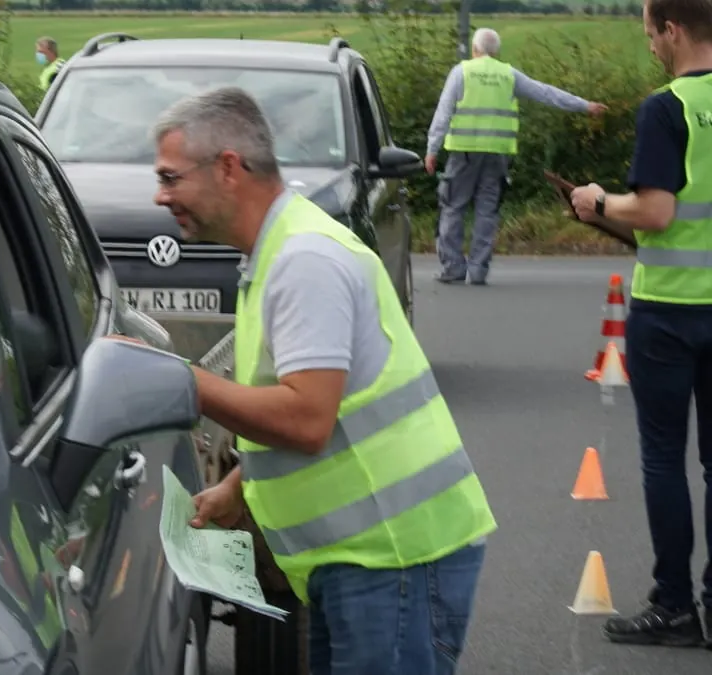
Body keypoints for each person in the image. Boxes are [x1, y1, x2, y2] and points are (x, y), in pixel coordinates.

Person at [139, 86, 498, 673]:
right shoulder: (277, 253)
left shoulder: (304, 260)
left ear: (228, 167)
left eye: (172, 177)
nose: (161, 195)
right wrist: (240, 488)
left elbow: (307, 419)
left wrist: (182, 380)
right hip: (363, 559)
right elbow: (316, 409)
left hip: (393, 559)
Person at [570, 0, 712, 649]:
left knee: (664, 459)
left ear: (674, 30)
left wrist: (599, 201)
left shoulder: (668, 107)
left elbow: (654, 211)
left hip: (669, 311)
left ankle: (675, 604)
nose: (650, 44)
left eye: (651, 32)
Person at [426, 27, 608, 285]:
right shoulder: (508, 75)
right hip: (498, 156)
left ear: (476, 49)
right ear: (496, 51)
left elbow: (443, 114)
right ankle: (478, 271)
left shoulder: (461, 72)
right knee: (487, 211)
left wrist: (432, 150)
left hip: (464, 154)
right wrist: (584, 105)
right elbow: (546, 93)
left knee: (453, 207)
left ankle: (454, 267)